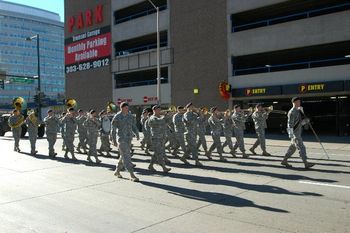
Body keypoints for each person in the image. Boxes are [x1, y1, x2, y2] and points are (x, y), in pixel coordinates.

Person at [281, 97, 315, 169]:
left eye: (300, 102)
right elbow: (289, 124)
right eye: (298, 102)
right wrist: (291, 135)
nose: (300, 103)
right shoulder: (292, 112)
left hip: (297, 132)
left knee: (292, 148)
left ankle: (284, 160)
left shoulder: (298, 111)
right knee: (301, 147)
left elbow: (298, 123)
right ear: (294, 102)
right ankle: (306, 163)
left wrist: (305, 121)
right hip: (295, 134)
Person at [111, 102, 140, 182]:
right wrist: (113, 140)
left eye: (128, 108)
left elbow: (133, 126)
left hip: (129, 139)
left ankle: (117, 171)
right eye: (126, 108)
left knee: (123, 155)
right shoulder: (117, 116)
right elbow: (113, 129)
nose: (127, 109)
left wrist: (137, 133)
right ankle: (132, 174)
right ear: (122, 108)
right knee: (127, 156)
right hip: (121, 139)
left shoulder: (130, 116)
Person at [147, 105, 172, 172]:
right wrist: (164, 116)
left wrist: (167, 115)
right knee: (160, 153)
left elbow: (169, 121)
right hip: (156, 138)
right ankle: (164, 167)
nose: (159, 111)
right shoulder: (152, 117)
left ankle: (150, 165)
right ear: (154, 110)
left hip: (162, 137)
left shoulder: (161, 117)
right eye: (158, 109)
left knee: (156, 153)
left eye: (160, 109)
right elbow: (158, 122)